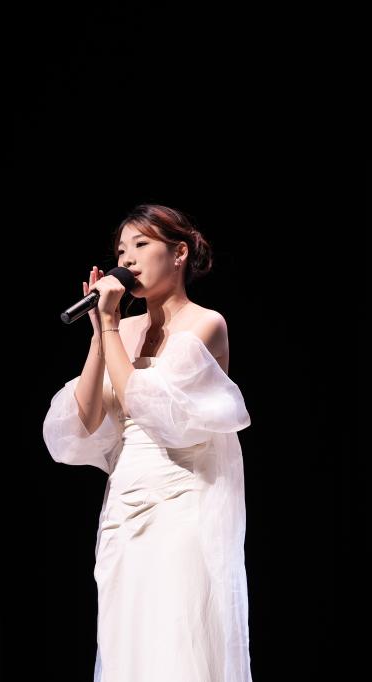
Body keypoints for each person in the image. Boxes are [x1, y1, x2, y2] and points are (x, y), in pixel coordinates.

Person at [42, 204, 253, 681]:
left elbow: (147, 407)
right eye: (121, 251)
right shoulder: (121, 329)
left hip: (180, 504)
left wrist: (111, 327)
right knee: (128, 645)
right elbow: (81, 423)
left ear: (179, 254)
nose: (128, 259)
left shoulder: (206, 324)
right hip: (124, 507)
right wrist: (100, 333)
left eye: (141, 245)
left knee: (173, 639)